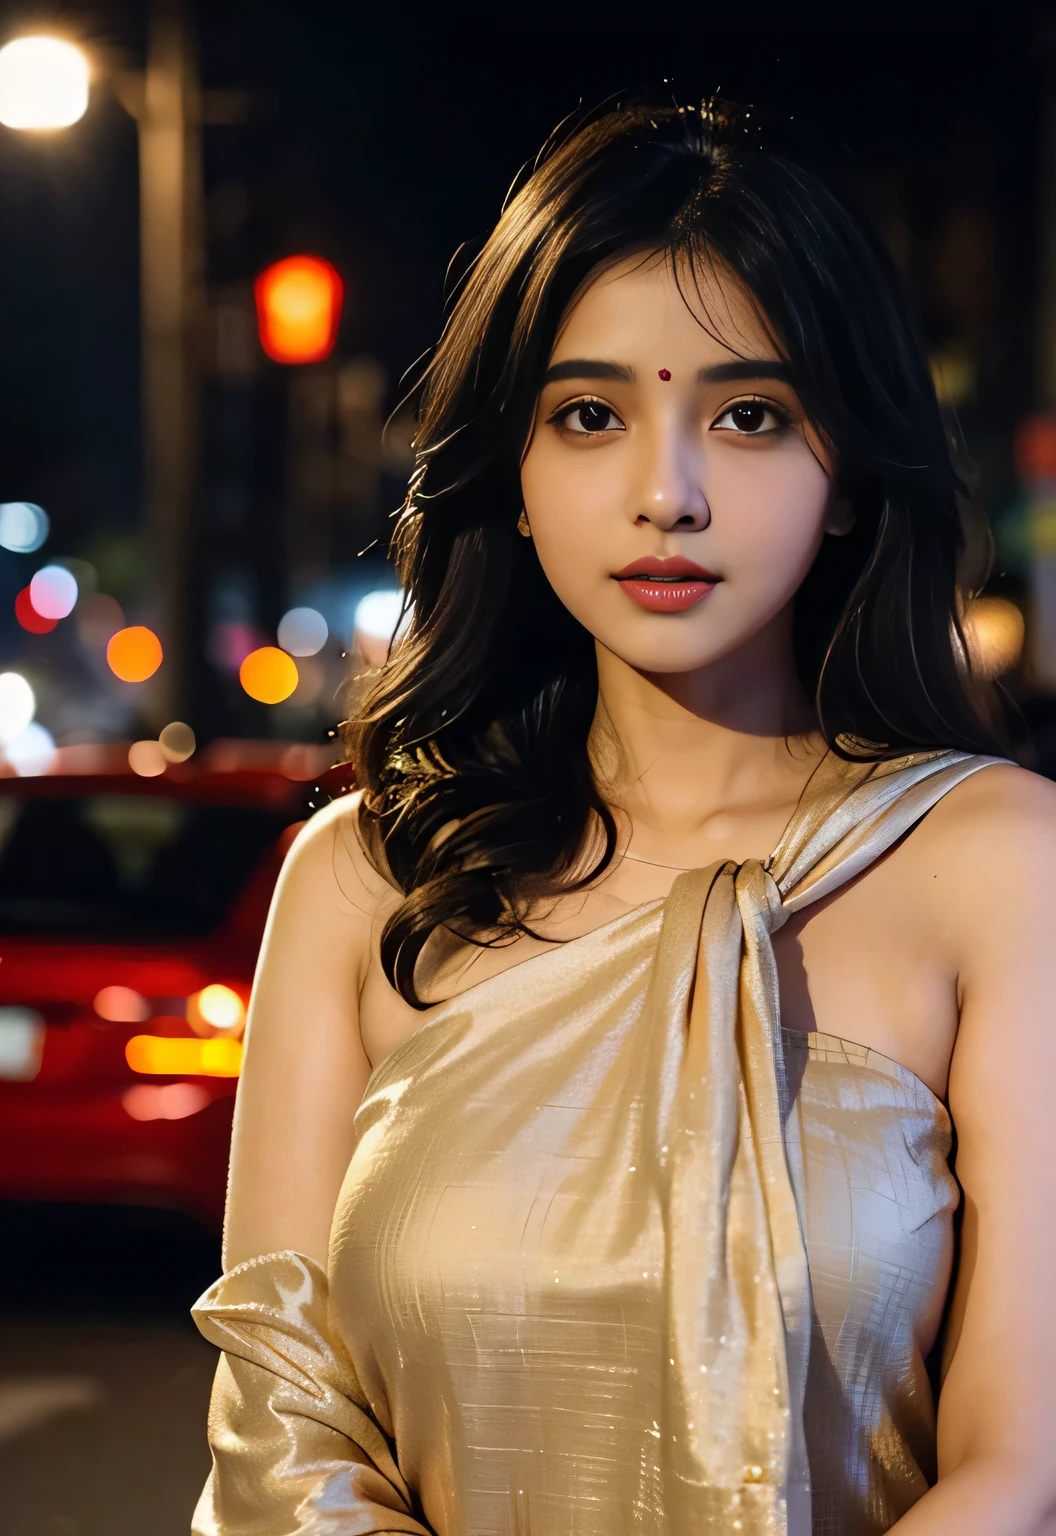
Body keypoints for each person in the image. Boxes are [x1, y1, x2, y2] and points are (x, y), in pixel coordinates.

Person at [191, 102, 1056, 1536]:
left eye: (751, 415)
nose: (670, 493)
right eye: (589, 416)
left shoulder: (993, 867)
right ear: (512, 481)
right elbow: (281, 1425)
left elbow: (1018, 1464)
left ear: (847, 477)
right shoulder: (364, 883)